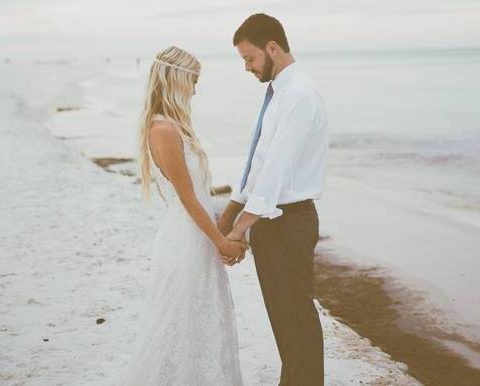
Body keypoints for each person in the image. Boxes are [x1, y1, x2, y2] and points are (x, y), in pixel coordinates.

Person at [120, 46, 245, 386]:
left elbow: (198, 198)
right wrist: (221, 239)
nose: (195, 89)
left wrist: (220, 234)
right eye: (193, 80)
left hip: (196, 236)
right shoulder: (163, 130)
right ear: (176, 79)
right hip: (186, 240)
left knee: (200, 324)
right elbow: (189, 198)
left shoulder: (174, 127)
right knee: (177, 327)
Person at [217, 13, 329, 386]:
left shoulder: (297, 95)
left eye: (250, 58)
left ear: (273, 48)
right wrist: (235, 207)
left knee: (295, 317)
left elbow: (278, 170)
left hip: (289, 221)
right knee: (284, 321)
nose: (247, 67)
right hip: (272, 220)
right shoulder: (279, 92)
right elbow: (261, 159)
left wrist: (239, 230)